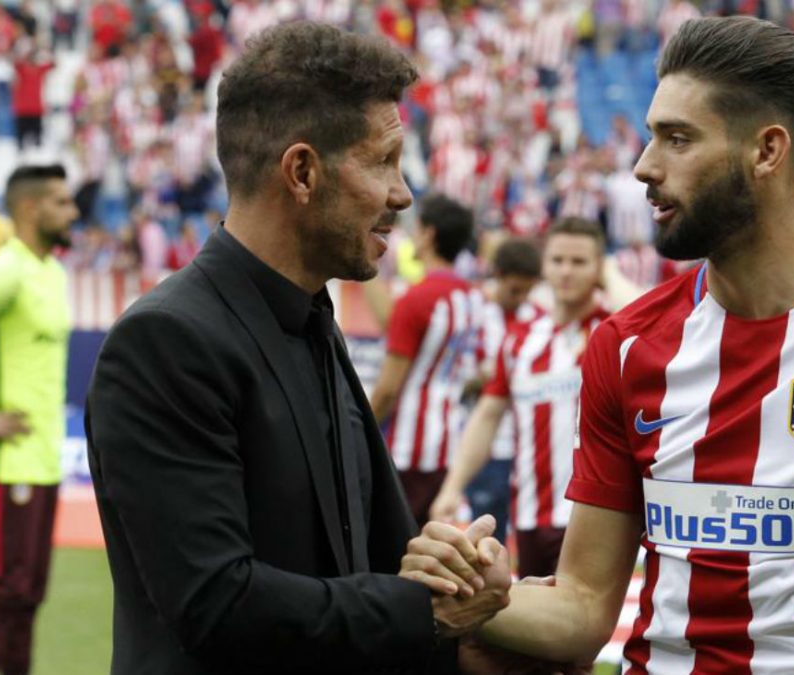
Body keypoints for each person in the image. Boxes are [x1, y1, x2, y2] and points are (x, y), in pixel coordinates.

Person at [458, 18, 794, 672]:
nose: (643, 166)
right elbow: (582, 605)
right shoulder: (626, 345)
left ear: (767, 151)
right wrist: (479, 596)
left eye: (677, 139)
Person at [84, 23, 509, 675]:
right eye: (383, 160)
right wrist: (420, 611)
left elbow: (371, 561)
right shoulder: (166, 341)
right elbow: (217, 601)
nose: (403, 193)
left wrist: (451, 583)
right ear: (303, 171)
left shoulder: (314, 318)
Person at [431, 218, 610, 577]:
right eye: (558, 260)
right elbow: (487, 415)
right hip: (529, 514)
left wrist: (612, 278)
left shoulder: (614, 331)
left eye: (579, 262)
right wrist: (452, 488)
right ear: (544, 265)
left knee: (579, 629)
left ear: (599, 268)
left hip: (589, 517)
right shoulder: (521, 339)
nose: (566, 272)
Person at [0, 164, 76, 675]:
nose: (73, 211)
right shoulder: (5, 270)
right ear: (31, 209)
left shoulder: (51, 271)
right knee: (6, 596)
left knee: (27, 598)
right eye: (62, 202)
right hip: (7, 465)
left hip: (43, 459)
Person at [369, 193, 483, 527]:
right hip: (449, 444)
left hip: (408, 449)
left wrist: (364, 432)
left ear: (428, 234)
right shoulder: (470, 296)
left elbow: (388, 388)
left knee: (393, 554)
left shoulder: (416, 299)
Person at [462, 236, 544, 544]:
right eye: (514, 289)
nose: (520, 297)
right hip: (484, 440)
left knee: (522, 530)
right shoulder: (473, 313)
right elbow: (454, 373)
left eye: (527, 290)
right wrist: (480, 378)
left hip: (525, 444)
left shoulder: (538, 320)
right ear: (498, 276)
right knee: (485, 527)